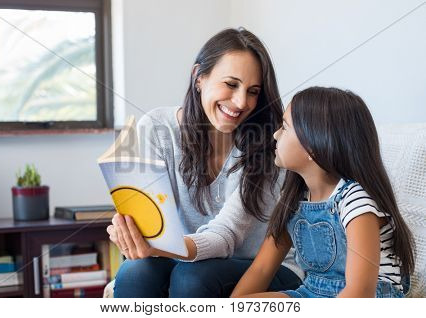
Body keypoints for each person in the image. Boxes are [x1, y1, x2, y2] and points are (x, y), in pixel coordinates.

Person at [107, 28, 303, 298]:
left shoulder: (268, 143)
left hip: (262, 265)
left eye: (253, 91)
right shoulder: (156, 128)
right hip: (187, 255)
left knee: (192, 279)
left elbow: (225, 236)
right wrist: (132, 234)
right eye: (231, 84)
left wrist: (161, 246)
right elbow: (150, 219)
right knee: (134, 272)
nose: (240, 102)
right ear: (199, 77)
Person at [231, 86, 414, 298]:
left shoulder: (355, 201)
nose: (275, 134)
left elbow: (360, 291)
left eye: (285, 127)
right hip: (312, 292)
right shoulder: (293, 200)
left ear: (313, 145)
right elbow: (261, 269)